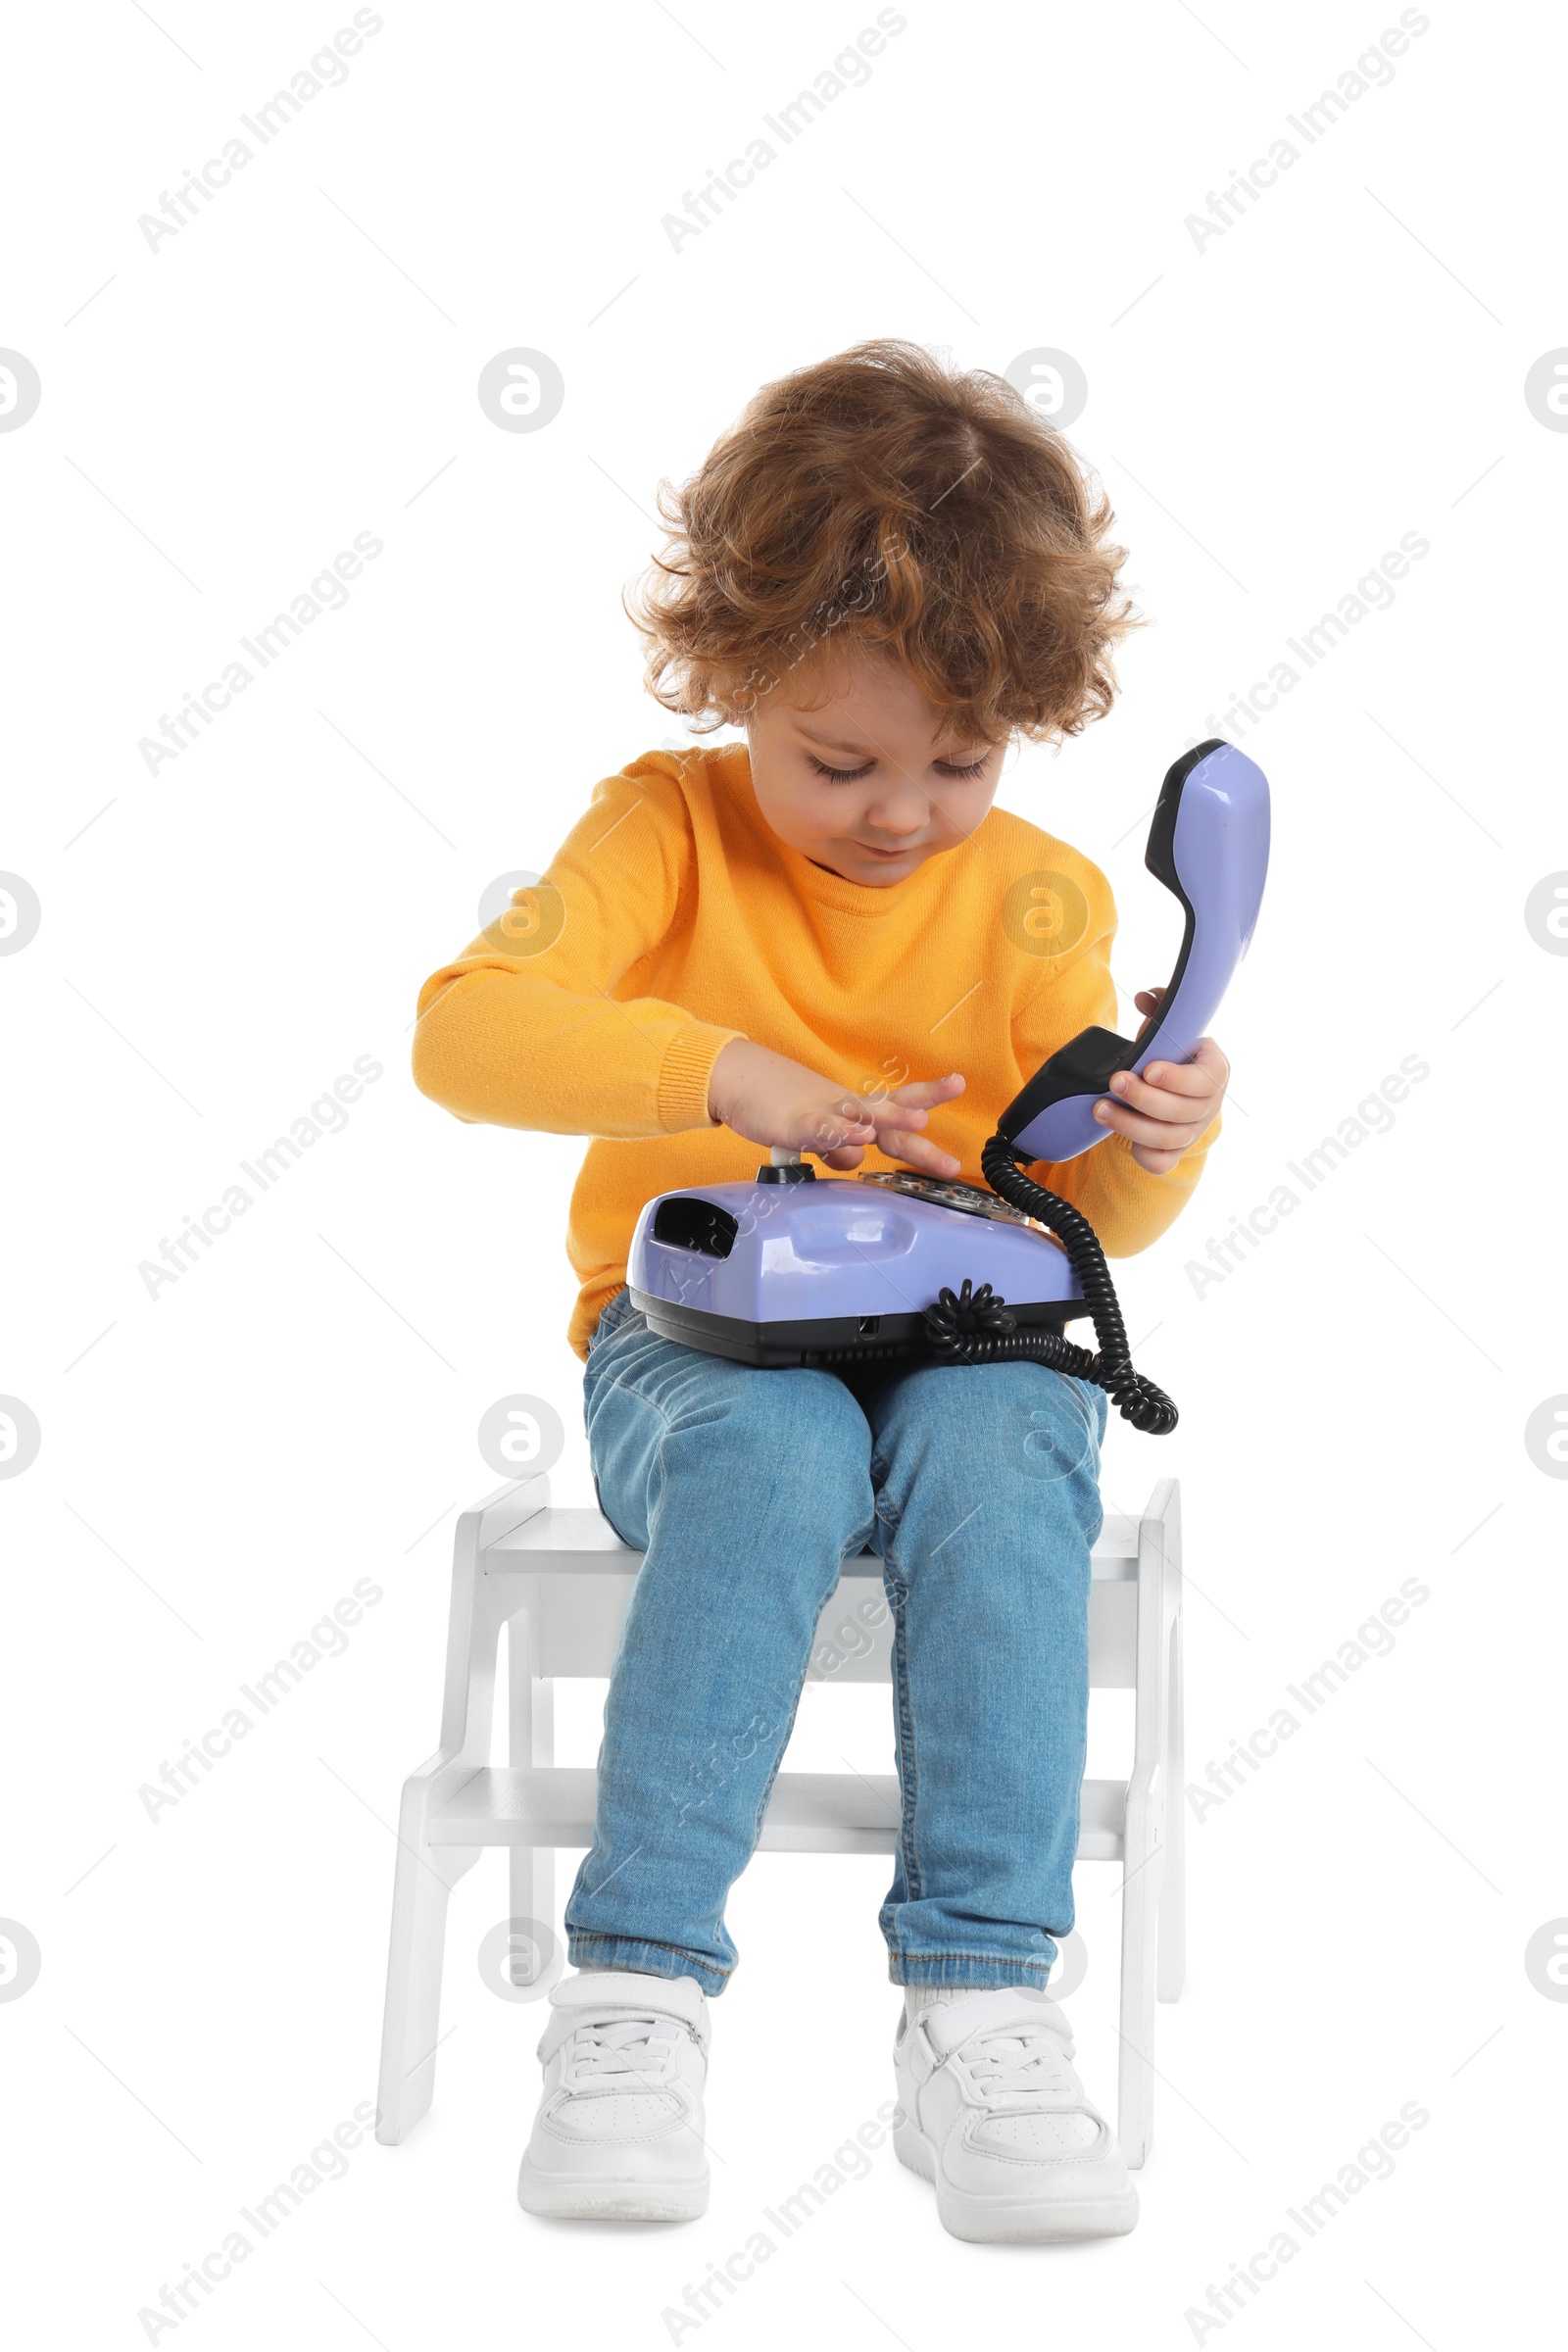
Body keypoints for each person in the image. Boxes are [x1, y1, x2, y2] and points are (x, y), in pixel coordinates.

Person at [412, 339, 1229, 2242]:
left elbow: (1078, 1200)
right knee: (774, 1456)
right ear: (733, 680)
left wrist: (1154, 1135)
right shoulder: (662, 827)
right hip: (694, 1352)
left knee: (1018, 1429)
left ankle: (981, 2000)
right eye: (838, 760)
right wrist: (723, 1079)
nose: (896, 815)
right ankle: (632, 1990)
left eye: (957, 761)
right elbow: (466, 1041)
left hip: (957, 1336)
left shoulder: (1032, 893)